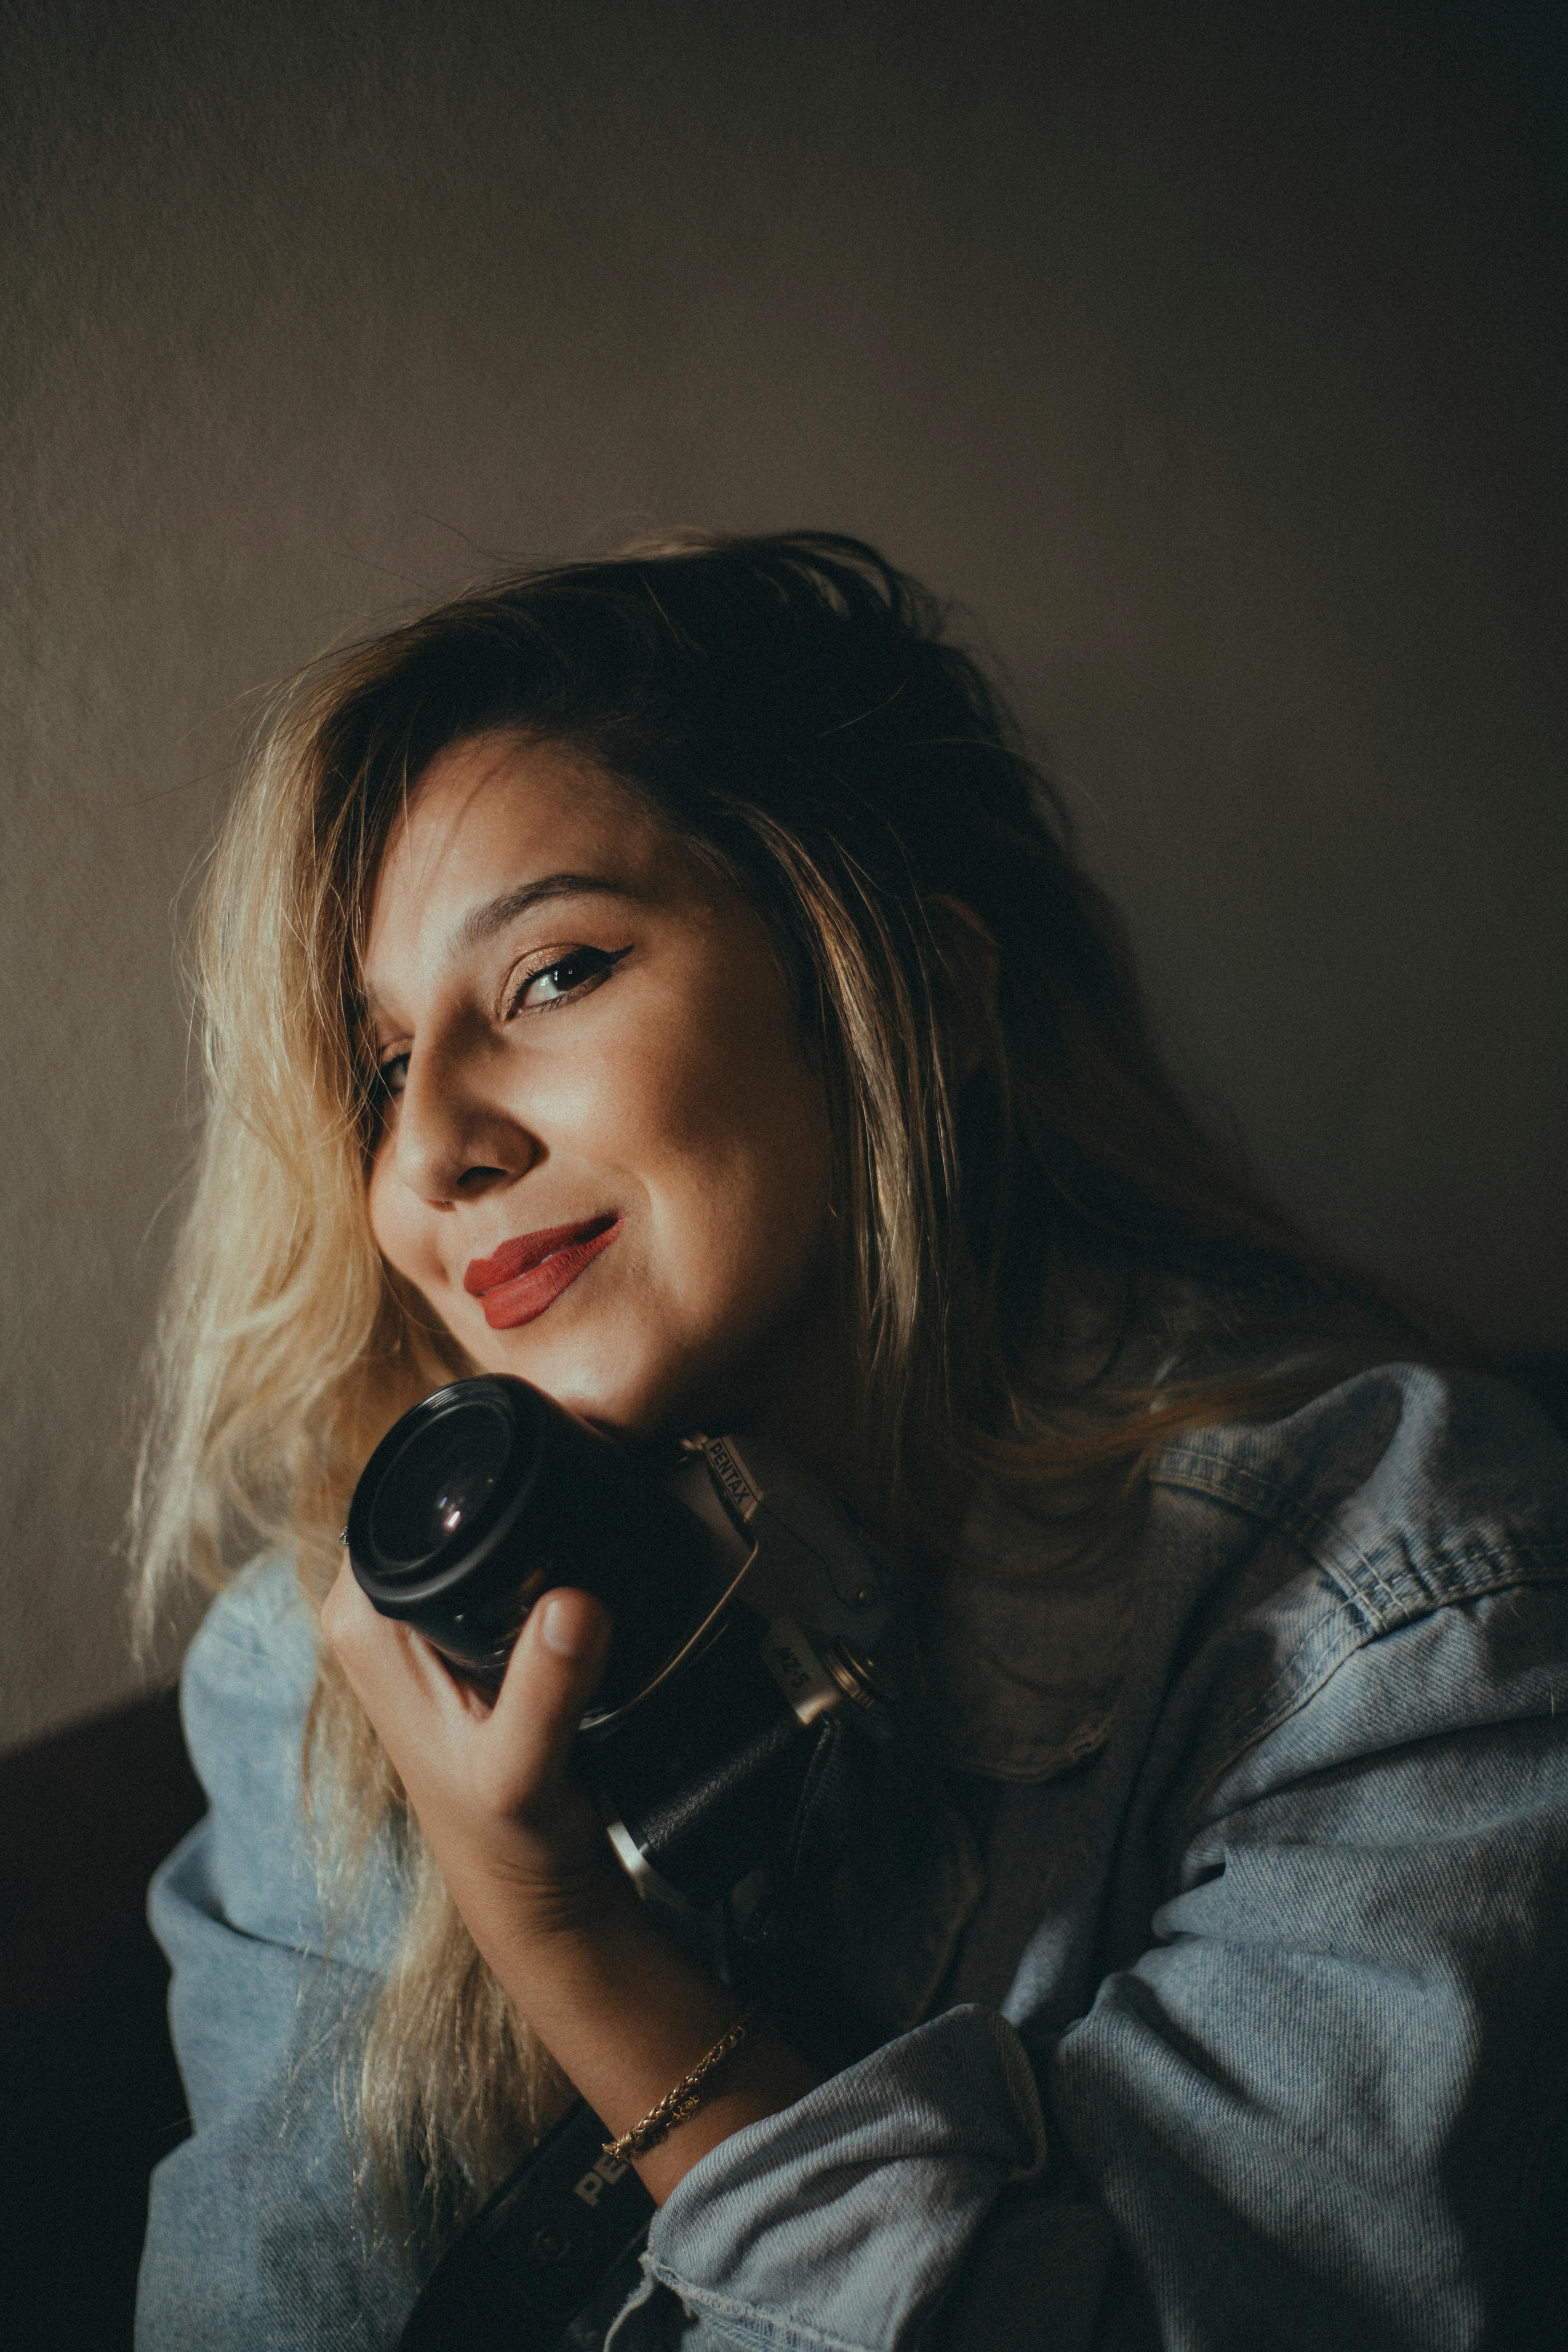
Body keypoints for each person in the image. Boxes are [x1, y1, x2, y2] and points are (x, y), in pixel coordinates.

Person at [132, 532, 1568, 2349]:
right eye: (374, 1066)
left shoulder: (1388, 1607)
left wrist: (574, 1948)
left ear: (919, 992)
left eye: (555, 974)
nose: (432, 1154)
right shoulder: (324, 1664)